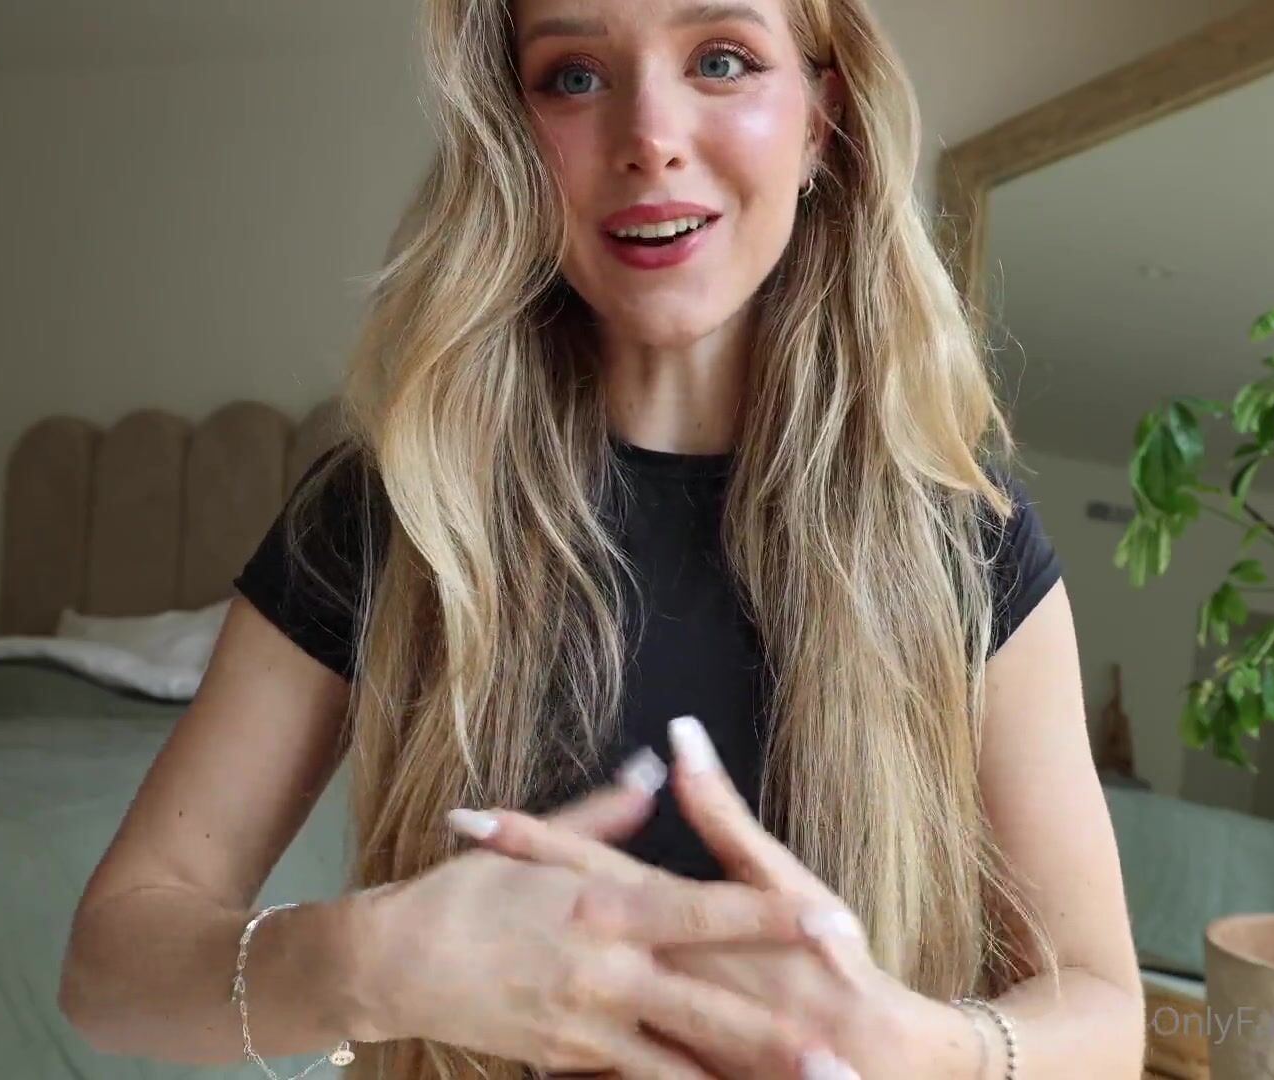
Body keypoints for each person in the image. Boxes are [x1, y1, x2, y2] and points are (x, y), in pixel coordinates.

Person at [58, 0, 1144, 1076]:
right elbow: (108, 972)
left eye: (722, 60)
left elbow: (1104, 1016)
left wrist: (911, 1048)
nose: (649, 138)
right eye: (574, 76)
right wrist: (368, 962)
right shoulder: (395, 508)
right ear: (513, 137)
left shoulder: (968, 539)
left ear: (823, 118)